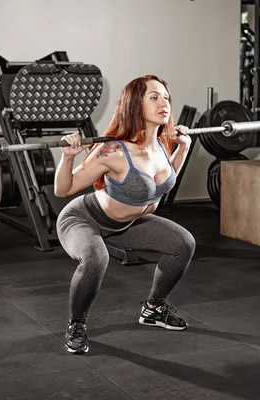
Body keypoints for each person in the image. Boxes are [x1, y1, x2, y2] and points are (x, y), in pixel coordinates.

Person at [54, 74, 196, 355]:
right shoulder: (113, 150)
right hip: (84, 219)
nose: (163, 102)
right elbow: (64, 189)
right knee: (96, 258)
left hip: (128, 224)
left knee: (183, 244)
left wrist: (184, 147)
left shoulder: (161, 146)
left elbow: (165, 184)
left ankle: (154, 309)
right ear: (135, 105)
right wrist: (68, 156)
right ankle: (76, 325)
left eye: (165, 97)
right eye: (153, 97)